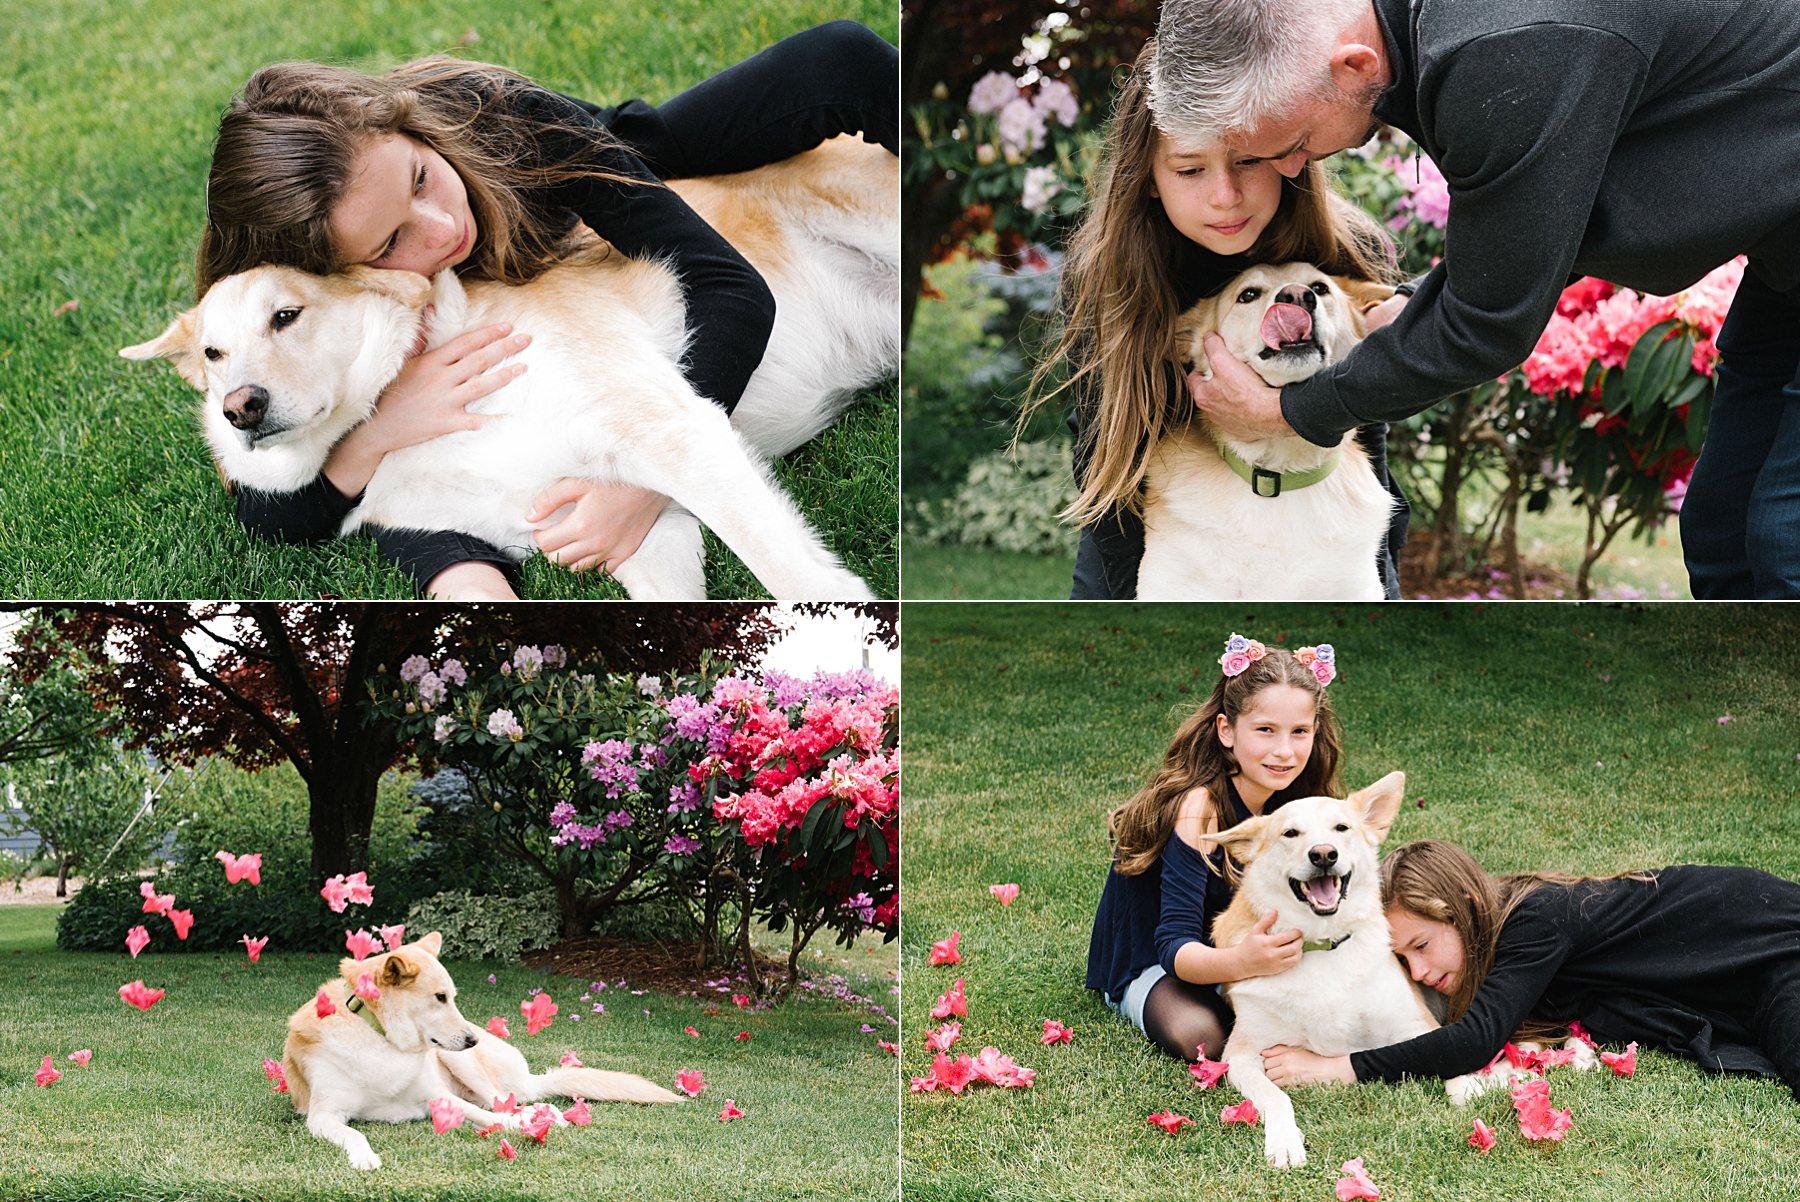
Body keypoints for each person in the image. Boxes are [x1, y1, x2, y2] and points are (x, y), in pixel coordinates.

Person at [200, 21, 897, 598]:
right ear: (336, 272)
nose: (440, 230)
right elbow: (268, 505)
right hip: (590, 241)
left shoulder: (501, 116)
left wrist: (639, 488)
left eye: (420, 180)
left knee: (835, 61)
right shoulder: (304, 302)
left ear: (408, 130)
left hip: (628, 163)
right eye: (389, 244)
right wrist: (379, 434)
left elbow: (730, 288)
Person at [1151, 0, 1800, 598]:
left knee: (1784, 537)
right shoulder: (1437, 33)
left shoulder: (1509, 49)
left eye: (1292, 145)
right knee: (1726, 530)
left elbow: (1487, 326)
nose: (1293, 169)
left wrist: (1288, 412)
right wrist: (1413, 306)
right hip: (1785, 255)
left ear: (1354, 66)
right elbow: (1530, 228)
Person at [1026, 40, 1409, 601]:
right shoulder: (1107, 274)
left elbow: (1367, 427)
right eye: (1189, 168)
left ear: (1287, 151)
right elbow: (1103, 452)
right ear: (1150, 177)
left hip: (1324, 509)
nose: (1225, 196)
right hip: (1143, 516)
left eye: (1248, 159)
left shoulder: (1348, 250)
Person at [1259, 840, 1800, 1103]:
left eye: (1421, 946)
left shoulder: (1536, 919)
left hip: (1771, 941)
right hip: (1744, 983)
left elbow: (1472, 1043)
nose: (1419, 971)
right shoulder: (1510, 941)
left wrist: (1336, 1069)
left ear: (1465, 906)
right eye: (1404, 959)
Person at [1085, 637, 1345, 1062]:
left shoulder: (1301, 803)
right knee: (1201, 1036)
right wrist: (1244, 962)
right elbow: (1174, 947)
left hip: (1240, 947)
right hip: (1161, 960)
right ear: (1227, 730)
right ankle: (1143, 996)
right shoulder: (1199, 808)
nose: (1284, 750)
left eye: (1300, 732)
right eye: (1265, 730)